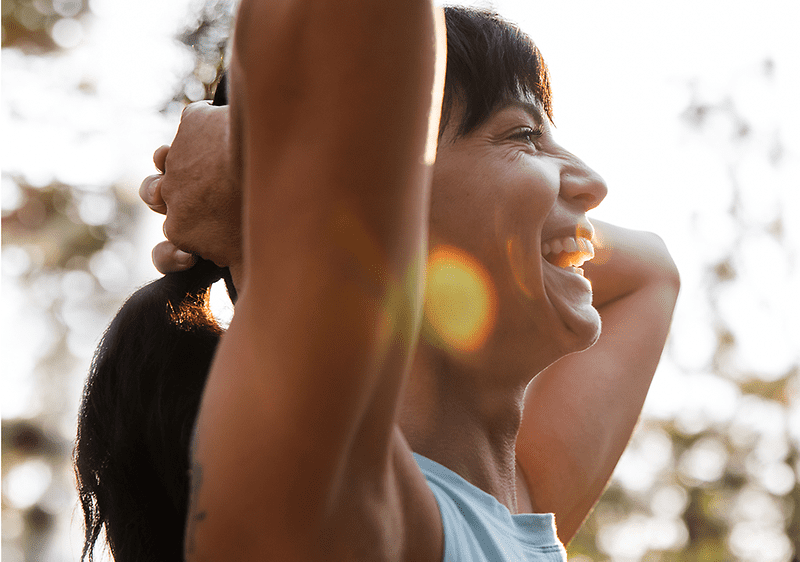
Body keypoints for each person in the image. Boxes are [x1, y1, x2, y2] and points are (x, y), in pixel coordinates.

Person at [79, 4, 679, 561]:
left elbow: (650, 273)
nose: (592, 182)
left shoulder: (506, 512)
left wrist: (270, 191)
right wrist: (274, 188)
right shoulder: (338, 509)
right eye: (524, 135)